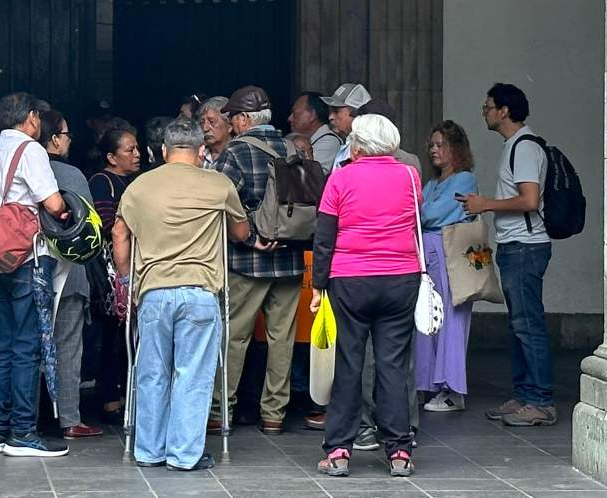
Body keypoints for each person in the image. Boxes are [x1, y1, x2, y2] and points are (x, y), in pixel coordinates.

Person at [112, 118, 250, 471]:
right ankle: (185, 455)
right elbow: (240, 232)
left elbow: (120, 235)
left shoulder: (139, 188)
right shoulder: (218, 185)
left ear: (162, 151)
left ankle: (148, 450)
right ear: (201, 149)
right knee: (193, 374)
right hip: (200, 293)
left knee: (151, 372)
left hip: (154, 291)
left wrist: (125, 280)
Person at [312, 114, 421, 477]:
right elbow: (413, 217)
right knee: (392, 365)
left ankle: (340, 451)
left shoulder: (340, 178)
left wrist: (317, 286)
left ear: (356, 145)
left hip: (350, 280)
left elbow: (325, 237)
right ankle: (399, 452)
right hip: (400, 279)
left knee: (348, 363)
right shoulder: (409, 175)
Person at [207, 85, 305, 436]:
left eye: (232, 118)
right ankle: (274, 414)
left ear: (244, 119)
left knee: (235, 336)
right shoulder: (293, 147)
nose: (230, 124)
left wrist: (250, 236)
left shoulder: (234, 152)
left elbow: (218, 199)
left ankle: (222, 410)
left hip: (249, 261)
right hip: (291, 256)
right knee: (282, 338)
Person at [0, 92, 70, 457]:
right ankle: (23, 433)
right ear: (31, 117)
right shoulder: (30, 151)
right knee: (26, 347)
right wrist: (63, 209)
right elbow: (53, 203)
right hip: (26, 259)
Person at [459, 83, 556, 426]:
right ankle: (525, 396)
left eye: (488, 106)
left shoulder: (525, 148)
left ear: (504, 111)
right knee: (519, 325)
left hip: (525, 247)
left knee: (527, 324)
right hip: (517, 245)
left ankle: (540, 400)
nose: (484, 112)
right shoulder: (515, 146)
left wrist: (485, 204)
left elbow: (530, 200)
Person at [39, 109, 104, 439]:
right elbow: (90, 223)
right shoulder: (71, 174)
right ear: (53, 139)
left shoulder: (16, 169)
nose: (68, 141)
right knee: (67, 346)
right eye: (65, 135)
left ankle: (23, 416)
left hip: (27, 271)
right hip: (69, 273)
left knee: (23, 345)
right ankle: (69, 419)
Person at [415, 121, 479, 412]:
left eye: (441, 144)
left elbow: (429, 214)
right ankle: (428, 383)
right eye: (432, 145)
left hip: (449, 253)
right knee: (427, 320)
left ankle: (452, 390)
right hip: (427, 256)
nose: (434, 150)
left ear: (456, 148)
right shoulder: (432, 183)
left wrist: (419, 211)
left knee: (451, 320)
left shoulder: (464, 180)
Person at [88, 128, 140, 424]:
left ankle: (126, 394)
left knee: (130, 336)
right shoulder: (102, 182)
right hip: (113, 271)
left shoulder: (136, 181)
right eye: (129, 150)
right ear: (111, 156)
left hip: (134, 265)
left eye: (137, 149)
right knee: (112, 336)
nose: (137, 154)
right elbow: (106, 224)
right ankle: (109, 397)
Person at [287, 91, 341, 174]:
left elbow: (311, 179)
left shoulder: (329, 142)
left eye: (294, 113)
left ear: (312, 115)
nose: (289, 119)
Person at [197, 97, 233, 169]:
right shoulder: (198, 156)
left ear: (229, 125)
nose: (205, 128)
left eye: (212, 122)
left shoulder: (237, 156)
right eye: (202, 122)